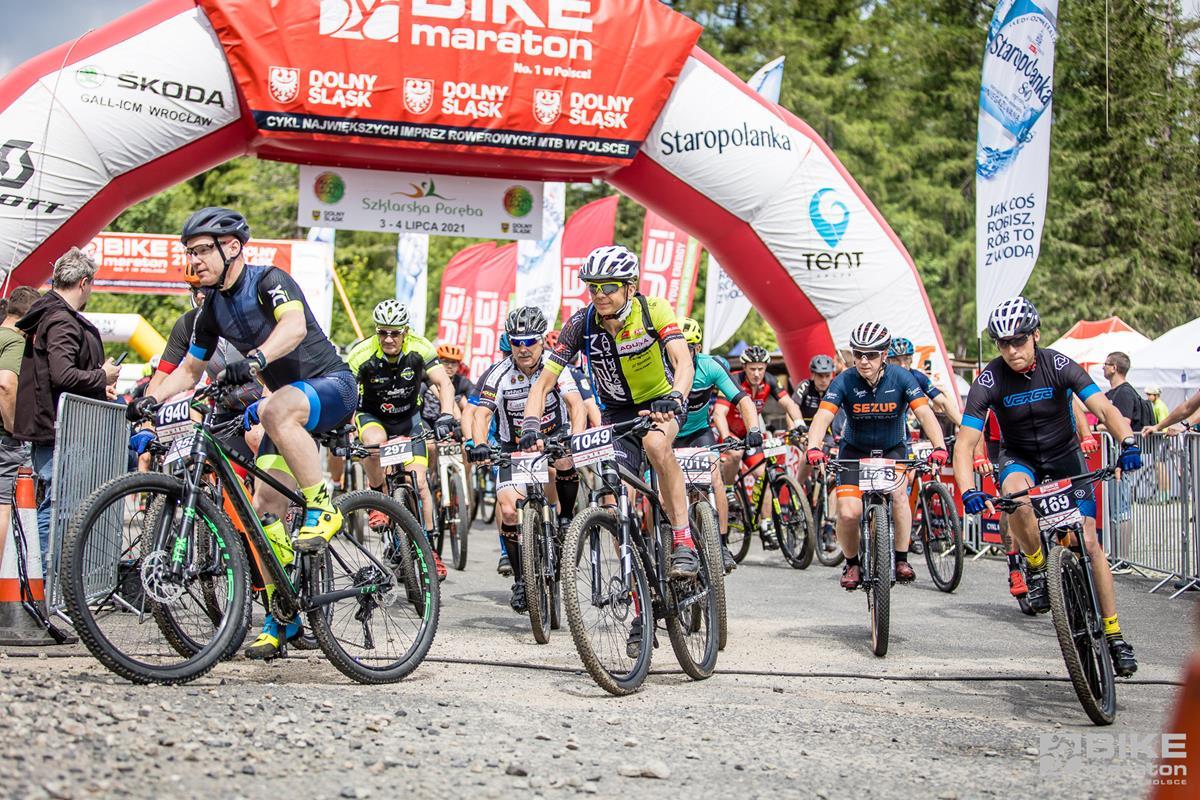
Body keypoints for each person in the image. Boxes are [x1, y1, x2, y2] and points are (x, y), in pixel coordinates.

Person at [129, 208, 357, 660]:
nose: (193, 261)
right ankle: (282, 615)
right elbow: (190, 369)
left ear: (231, 247)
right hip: (285, 410)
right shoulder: (211, 308)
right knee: (263, 513)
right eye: (188, 253)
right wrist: (149, 401)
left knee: (273, 407)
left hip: (332, 386)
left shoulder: (269, 280)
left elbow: (293, 327)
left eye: (201, 250)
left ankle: (323, 505)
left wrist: (256, 360)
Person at [952, 296, 1141, 677]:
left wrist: (1128, 442)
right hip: (1020, 456)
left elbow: (1104, 409)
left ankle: (1114, 633)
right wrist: (968, 489)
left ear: (1035, 335)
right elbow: (965, 443)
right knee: (1015, 498)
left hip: (1064, 455)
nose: (1012, 350)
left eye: (1019, 341)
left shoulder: (1058, 364)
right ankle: (1037, 567)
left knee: (1089, 542)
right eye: (1003, 344)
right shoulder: (989, 379)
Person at [522, 245, 701, 583]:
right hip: (617, 412)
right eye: (593, 287)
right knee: (615, 500)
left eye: (608, 286)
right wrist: (530, 426)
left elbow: (683, 363)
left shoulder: (653, 310)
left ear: (630, 287)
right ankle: (639, 588)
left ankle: (683, 540)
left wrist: (676, 396)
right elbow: (542, 384)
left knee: (656, 446)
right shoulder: (581, 324)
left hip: (662, 401)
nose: (599, 294)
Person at [805, 322, 949, 589]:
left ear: (884, 354)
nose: (863, 360)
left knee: (898, 496)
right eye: (858, 354)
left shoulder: (902, 377)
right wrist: (814, 447)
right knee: (848, 513)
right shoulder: (844, 380)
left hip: (892, 449)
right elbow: (823, 416)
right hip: (854, 452)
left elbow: (924, 413)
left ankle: (901, 559)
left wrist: (939, 446)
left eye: (870, 355)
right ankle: (852, 563)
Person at [469, 306, 584, 613]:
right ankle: (521, 580)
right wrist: (480, 444)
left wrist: (575, 436)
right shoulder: (499, 373)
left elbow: (576, 405)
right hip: (514, 447)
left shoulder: (556, 366)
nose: (523, 348)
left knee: (564, 462)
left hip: (554, 437)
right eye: (516, 342)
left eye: (530, 341)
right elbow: (481, 414)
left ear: (542, 340)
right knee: (508, 511)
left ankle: (565, 518)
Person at [15, 249, 122, 556]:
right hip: (62, 431)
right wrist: (101, 376)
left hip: (57, 428)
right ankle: (46, 577)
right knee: (60, 509)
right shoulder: (61, 319)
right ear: (84, 282)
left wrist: (98, 388)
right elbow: (62, 375)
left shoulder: (50, 314)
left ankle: (46, 576)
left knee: (59, 506)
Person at [347, 300, 459, 581]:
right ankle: (377, 495)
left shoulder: (420, 348)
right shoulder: (361, 354)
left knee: (419, 483)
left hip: (408, 419)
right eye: (383, 332)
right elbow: (347, 395)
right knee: (373, 443)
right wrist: (346, 428)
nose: (388, 339)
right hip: (373, 416)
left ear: (405, 331)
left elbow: (443, 383)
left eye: (395, 333)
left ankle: (429, 549)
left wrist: (446, 414)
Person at [675, 317, 763, 573]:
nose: (679, 352)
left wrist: (754, 429)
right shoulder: (659, 368)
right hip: (668, 437)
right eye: (674, 345)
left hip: (698, 434)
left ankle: (721, 543)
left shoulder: (710, 366)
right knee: (657, 494)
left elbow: (743, 400)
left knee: (715, 481)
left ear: (697, 348)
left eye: (686, 346)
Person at [713, 345, 804, 544]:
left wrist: (799, 423)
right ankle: (729, 489)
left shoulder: (769, 381)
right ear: (744, 367)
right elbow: (719, 413)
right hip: (726, 432)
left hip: (749, 435)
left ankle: (766, 522)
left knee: (763, 476)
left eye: (760, 369)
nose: (756, 373)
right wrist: (726, 436)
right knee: (735, 455)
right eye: (752, 369)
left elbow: (789, 404)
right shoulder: (733, 380)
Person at [0, 287, 38, 546]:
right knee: (2, 506)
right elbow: (5, 385)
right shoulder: (15, 341)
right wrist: (14, 428)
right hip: (3, 439)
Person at [886, 337, 962, 426]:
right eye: (896, 360)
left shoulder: (918, 377)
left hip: (900, 427)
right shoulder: (881, 377)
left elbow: (943, 403)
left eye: (906, 358)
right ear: (888, 361)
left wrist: (964, 427)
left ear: (912, 359)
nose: (902, 365)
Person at [1101, 352, 1152, 432]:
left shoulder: (1124, 393)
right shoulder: (1111, 393)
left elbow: (1123, 423)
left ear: (1114, 368)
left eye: (1105, 364)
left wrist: (1096, 428)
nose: (1103, 367)